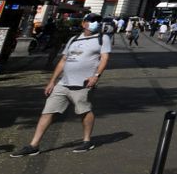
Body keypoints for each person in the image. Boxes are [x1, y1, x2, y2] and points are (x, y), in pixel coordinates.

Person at [10, 14, 112, 157]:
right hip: (64, 82)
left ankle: (87, 140)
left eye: (97, 22)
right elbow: (63, 60)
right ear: (84, 24)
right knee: (47, 112)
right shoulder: (74, 39)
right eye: (92, 21)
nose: (95, 23)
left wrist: (96, 76)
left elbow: (105, 58)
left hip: (83, 83)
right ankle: (34, 145)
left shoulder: (103, 38)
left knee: (84, 111)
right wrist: (52, 81)